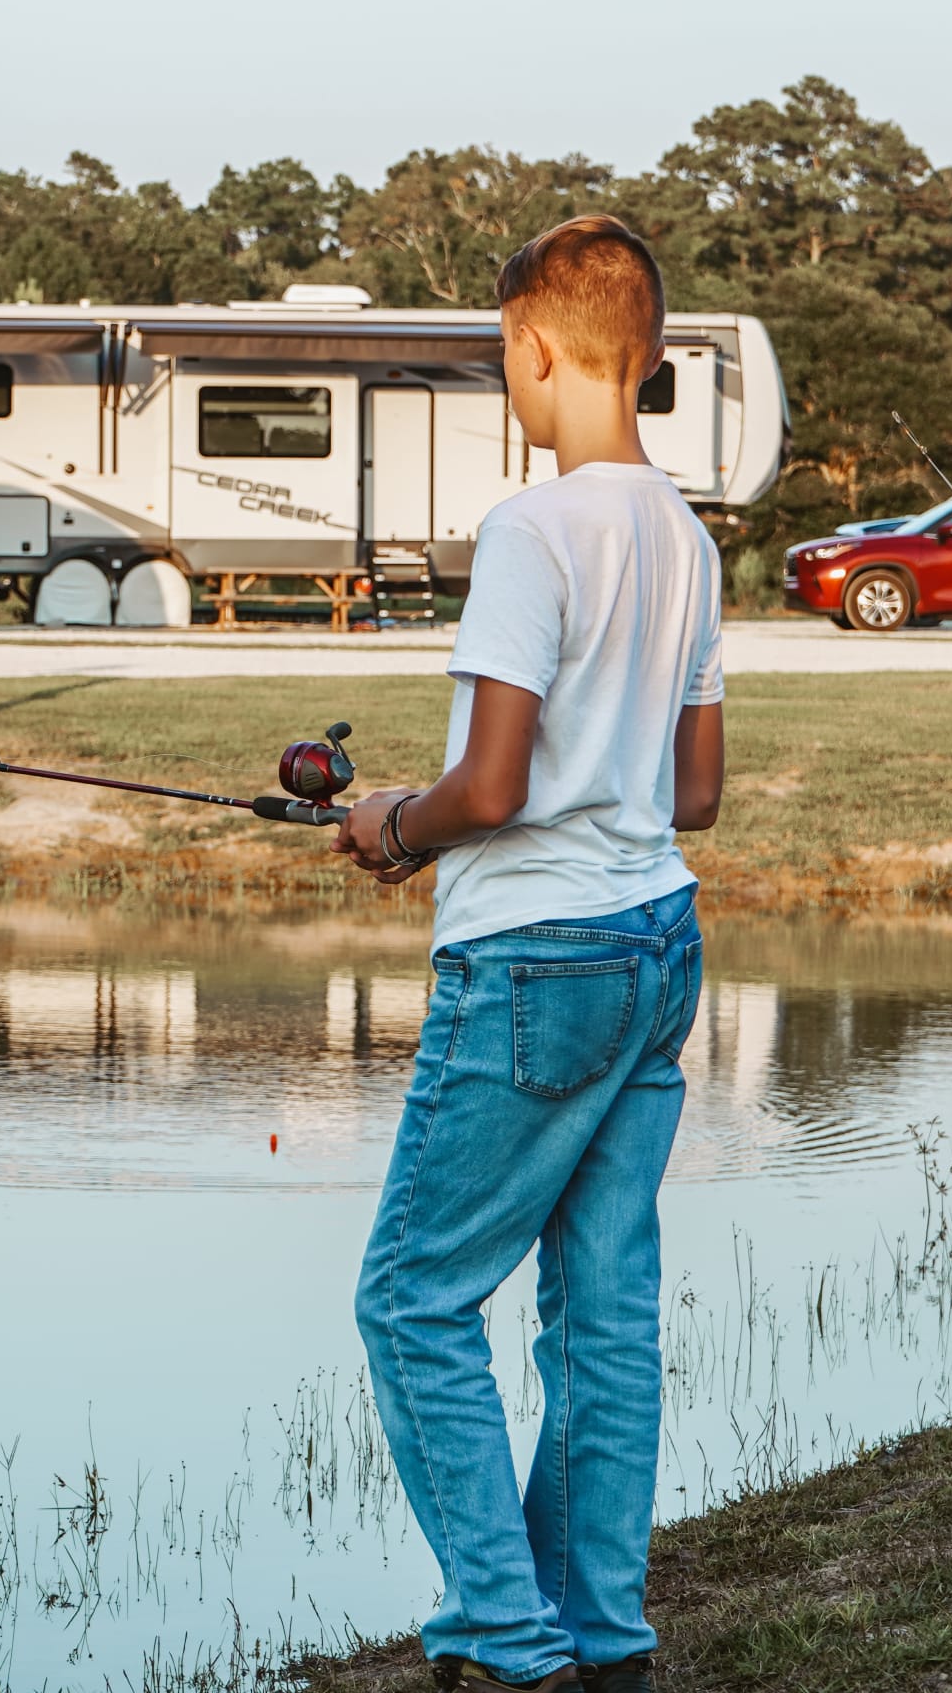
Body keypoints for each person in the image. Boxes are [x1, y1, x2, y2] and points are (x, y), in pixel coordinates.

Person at [335, 215, 725, 1692]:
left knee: (414, 1298)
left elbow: (489, 789)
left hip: (536, 957)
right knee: (604, 1307)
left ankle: (507, 1639)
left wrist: (393, 824)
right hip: (655, 940)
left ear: (536, 348)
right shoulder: (683, 536)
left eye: (503, 349)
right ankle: (599, 1631)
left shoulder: (531, 530)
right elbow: (696, 791)